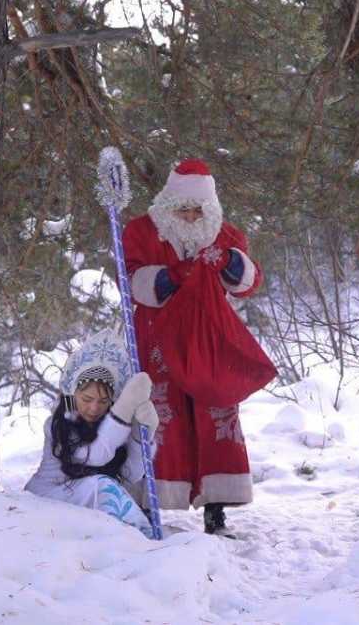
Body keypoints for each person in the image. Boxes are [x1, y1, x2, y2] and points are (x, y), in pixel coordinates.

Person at [122, 159, 276, 535]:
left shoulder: (225, 235)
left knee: (214, 412)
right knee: (160, 414)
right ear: (167, 204)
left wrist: (229, 263)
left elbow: (249, 283)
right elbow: (130, 281)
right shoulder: (141, 232)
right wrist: (171, 277)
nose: (190, 217)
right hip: (159, 335)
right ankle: (148, 500)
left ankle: (215, 508)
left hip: (209, 339)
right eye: (183, 209)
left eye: (197, 210)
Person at [25, 331, 160, 539]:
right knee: (102, 486)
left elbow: (132, 473)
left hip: (83, 501)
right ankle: (141, 539)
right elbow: (96, 455)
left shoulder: (110, 425)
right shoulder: (58, 424)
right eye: (87, 399)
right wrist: (123, 410)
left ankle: (136, 538)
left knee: (107, 485)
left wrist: (141, 435)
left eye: (103, 401)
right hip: (46, 498)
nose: (94, 408)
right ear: (73, 394)